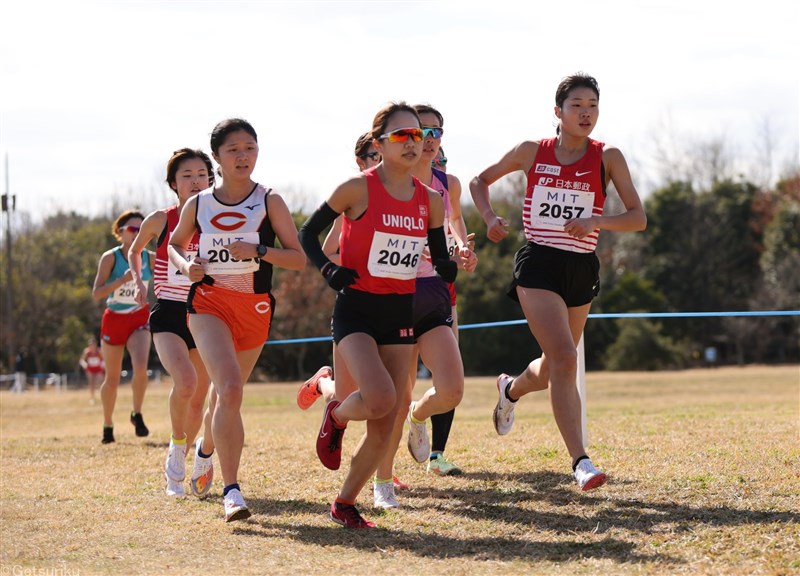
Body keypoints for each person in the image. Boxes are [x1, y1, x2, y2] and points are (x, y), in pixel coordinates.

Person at [469, 73, 647, 491]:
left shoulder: (608, 157)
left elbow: (638, 217)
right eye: (577, 105)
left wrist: (596, 220)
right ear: (558, 112)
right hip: (539, 265)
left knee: (554, 367)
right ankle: (580, 461)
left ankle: (510, 389)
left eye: (593, 106)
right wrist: (491, 218)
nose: (586, 113)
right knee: (567, 358)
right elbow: (480, 181)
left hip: (581, 267)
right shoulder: (533, 151)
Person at [298, 101, 456, 529]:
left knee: (388, 423)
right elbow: (307, 233)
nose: (412, 143)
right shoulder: (357, 188)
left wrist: (450, 265)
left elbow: (440, 257)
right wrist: (330, 269)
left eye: (418, 135)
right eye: (401, 135)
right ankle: (335, 414)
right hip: (357, 311)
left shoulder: (431, 200)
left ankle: (344, 502)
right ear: (379, 143)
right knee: (383, 398)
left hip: (399, 312)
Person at [168, 118, 306, 522]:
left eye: (250, 147)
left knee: (226, 397)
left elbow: (297, 258)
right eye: (234, 149)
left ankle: (206, 450)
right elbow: (176, 244)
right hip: (209, 303)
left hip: (255, 307)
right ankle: (233, 492)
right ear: (217, 158)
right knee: (228, 388)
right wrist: (186, 264)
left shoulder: (269, 200)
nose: (243, 155)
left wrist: (259, 250)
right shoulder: (198, 203)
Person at [375, 103, 477, 508]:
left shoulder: (446, 184)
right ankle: (382, 480)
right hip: (393, 295)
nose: (431, 140)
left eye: (437, 132)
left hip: (436, 292)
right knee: (394, 395)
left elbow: (457, 232)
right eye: (423, 132)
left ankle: (420, 416)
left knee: (451, 389)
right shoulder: (379, 184)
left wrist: (464, 252)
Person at [129, 147, 217, 498]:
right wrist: (139, 282)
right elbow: (135, 250)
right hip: (168, 313)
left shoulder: (219, 218)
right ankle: (176, 444)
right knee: (185, 383)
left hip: (207, 315)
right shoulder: (161, 220)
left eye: (201, 174)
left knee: (198, 400)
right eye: (187, 176)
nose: (195, 181)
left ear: (211, 179)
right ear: (173, 184)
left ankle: (184, 454)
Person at [92, 210, 153, 444]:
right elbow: (97, 293)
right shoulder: (111, 258)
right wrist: (121, 281)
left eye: (142, 229)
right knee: (113, 378)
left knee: (140, 367)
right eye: (132, 229)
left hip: (139, 318)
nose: (137, 233)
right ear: (120, 232)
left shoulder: (149, 257)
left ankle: (137, 413)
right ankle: (108, 425)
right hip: (114, 318)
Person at [79, 337, 105, 405]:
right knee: (91, 384)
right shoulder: (86, 352)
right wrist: (84, 364)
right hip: (90, 369)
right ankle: (92, 398)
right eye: (90, 344)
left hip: (98, 369)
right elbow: (82, 360)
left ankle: (102, 397)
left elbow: (104, 359)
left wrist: (103, 366)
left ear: (96, 344)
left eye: (93, 344)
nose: (92, 346)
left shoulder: (99, 351)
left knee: (99, 382)